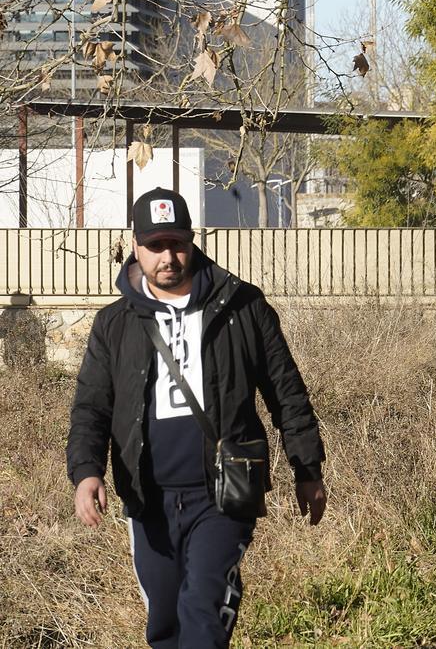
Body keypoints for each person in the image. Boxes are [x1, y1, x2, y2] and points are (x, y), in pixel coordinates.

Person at [66, 187, 327, 648]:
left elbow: (286, 392)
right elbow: (92, 406)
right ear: (135, 245)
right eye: (155, 246)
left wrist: (307, 469)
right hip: (147, 496)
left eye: (177, 243)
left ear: (192, 239)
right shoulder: (115, 322)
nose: (168, 256)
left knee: (202, 611)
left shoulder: (242, 306)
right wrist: (87, 471)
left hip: (223, 492)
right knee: (165, 623)